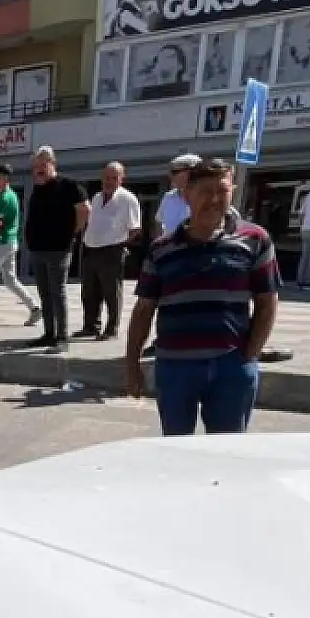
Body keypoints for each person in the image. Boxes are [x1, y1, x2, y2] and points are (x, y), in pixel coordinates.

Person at [125, 158, 280, 437]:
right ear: (187, 196)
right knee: (176, 447)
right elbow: (144, 308)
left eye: (222, 190)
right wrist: (132, 365)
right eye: (205, 191)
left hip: (231, 367)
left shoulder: (255, 240)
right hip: (175, 367)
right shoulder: (161, 250)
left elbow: (267, 301)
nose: (214, 199)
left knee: (226, 452)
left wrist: (250, 355)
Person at [23, 147, 89, 353]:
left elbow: (85, 209)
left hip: (58, 249)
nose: (39, 169)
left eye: (43, 164)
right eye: (35, 166)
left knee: (57, 292)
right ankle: (49, 333)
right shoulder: (37, 189)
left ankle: (62, 336)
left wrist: (73, 232)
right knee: (44, 294)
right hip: (38, 249)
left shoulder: (68, 185)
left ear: (53, 164)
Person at [77, 161, 141, 340]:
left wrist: (120, 244)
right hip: (91, 249)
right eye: (106, 177)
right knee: (89, 291)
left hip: (112, 250)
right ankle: (90, 326)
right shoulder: (96, 197)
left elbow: (135, 228)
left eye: (114, 178)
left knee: (111, 292)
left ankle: (111, 329)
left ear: (121, 179)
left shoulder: (128, 198)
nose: (109, 181)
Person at [0, 163, 36, 327]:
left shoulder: (5, 197)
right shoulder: (9, 195)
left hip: (3, 243)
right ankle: (35, 308)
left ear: (4, 178)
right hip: (9, 242)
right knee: (10, 280)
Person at [154, 155, 199, 240]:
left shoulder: (205, 197)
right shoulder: (168, 196)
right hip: (171, 249)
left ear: (191, 173)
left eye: (175, 172)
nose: (170, 176)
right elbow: (159, 221)